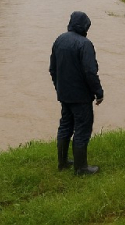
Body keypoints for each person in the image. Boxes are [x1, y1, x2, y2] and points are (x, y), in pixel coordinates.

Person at [49, 11, 104, 175]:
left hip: (64, 94)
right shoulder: (85, 44)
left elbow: (52, 69)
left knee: (65, 126)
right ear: (86, 26)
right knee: (82, 129)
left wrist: (59, 88)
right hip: (81, 97)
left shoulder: (59, 40)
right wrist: (98, 92)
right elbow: (90, 72)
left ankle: (63, 162)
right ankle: (81, 168)